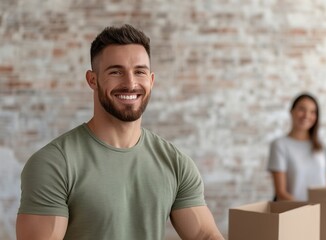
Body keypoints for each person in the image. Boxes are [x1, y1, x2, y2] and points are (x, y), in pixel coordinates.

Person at [16, 24, 224, 240]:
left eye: (139, 72)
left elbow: (204, 234)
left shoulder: (176, 163)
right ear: (92, 80)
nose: (130, 83)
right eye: (116, 71)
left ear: (151, 81)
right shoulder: (54, 164)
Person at [267, 93, 326, 201]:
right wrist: (307, 211)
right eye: (302, 109)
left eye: (312, 112)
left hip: (322, 213)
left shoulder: (322, 147)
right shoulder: (280, 145)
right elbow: (281, 192)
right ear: (291, 111)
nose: (306, 115)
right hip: (293, 213)